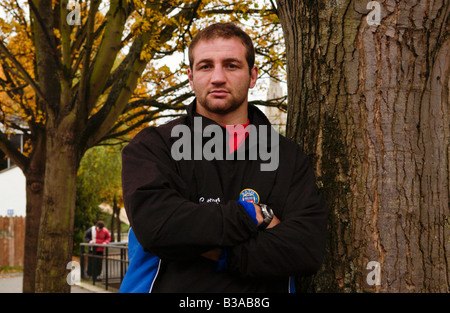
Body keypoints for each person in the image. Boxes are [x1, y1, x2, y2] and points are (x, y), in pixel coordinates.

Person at [119, 22, 327, 293]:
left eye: (231, 65)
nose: (218, 77)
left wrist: (215, 249)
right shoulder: (153, 146)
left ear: (252, 76)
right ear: (191, 77)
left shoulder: (288, 157)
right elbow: (158, 227)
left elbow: (305, 250)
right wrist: (256, 215)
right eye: (206, 66)